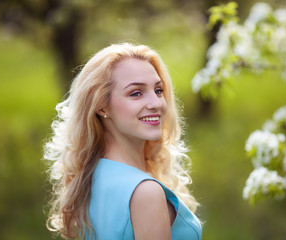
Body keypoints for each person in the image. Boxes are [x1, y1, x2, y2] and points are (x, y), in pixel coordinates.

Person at [44, 43, 202, 240]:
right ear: (102, 107)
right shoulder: (145, 192)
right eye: (136, 93)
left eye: (158, 90)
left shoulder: (90, 176)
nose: (156, 103)